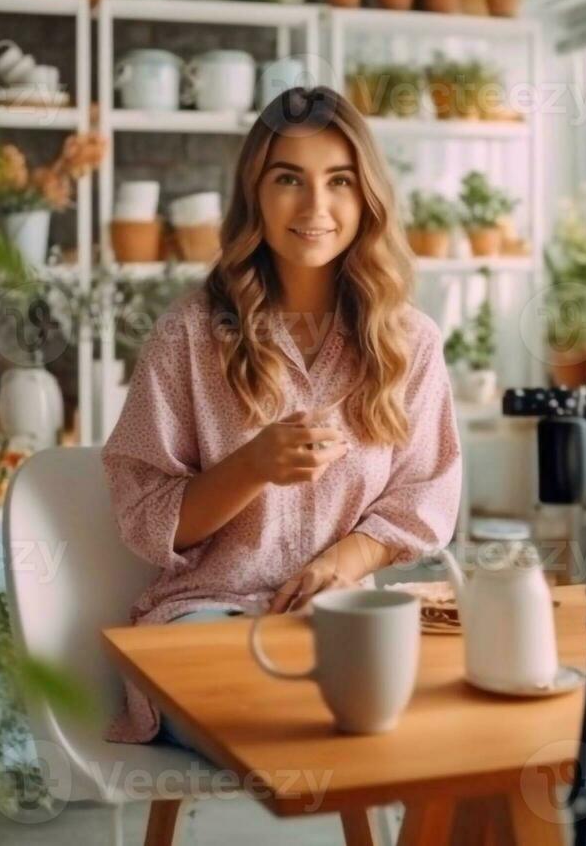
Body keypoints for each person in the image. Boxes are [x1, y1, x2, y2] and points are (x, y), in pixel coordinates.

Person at [103, 87, 463, 749]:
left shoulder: (409, 342)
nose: (316, 207)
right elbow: (144, 515)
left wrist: (344, 563)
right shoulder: (185, 335)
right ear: (255, 195)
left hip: (344, 617)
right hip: (207, 619)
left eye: (340, 181)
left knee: (448, 716)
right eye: (289, 179)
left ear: (367, 197)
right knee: (279, 719)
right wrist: (252, 466)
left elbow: (425, 492)